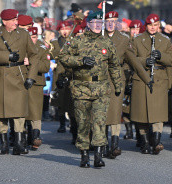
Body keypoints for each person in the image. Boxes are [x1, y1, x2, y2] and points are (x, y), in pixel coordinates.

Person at [60, 10, 121, 168]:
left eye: (100, 23)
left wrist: (118, 85)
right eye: (94, 23)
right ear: (88, 24)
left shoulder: (106, 42)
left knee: (99, 122)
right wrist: (80, 61)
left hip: (101, 89)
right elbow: (63, 57)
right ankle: (84, 155)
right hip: (81, 89)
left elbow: (114, 65)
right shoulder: (77, 40)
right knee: (83, 123)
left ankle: (98, 156)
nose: (97, 26)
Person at [0, 9, 39, 155]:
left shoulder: (24, 34)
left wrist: (31, 76)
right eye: (13, 20)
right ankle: (4, 143)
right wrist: (7, 56)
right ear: (4, 21)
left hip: (19, 74)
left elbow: (34, 55)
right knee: (2, 112)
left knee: (19, 111)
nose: (16, 22)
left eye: (16, 19)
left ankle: (19, 143)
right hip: (2, 75)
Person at [104, 11, 150, 159]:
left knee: (116, 113)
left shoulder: (123, 40)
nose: (111, 23)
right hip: (100, 82)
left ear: (117, 23)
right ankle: (102, 145)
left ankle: (115, 144)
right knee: (102, 113)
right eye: (108, 20)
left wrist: (147, 79)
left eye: (114, 21)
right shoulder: (97, 38)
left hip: (117, 82)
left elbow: (134, 61)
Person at [131, 13, 172, 155]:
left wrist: (161, 56)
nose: (152, 27)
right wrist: (144, 61)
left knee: (158, 113)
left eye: (155, 25)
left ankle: (156, 141)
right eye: (150, 25)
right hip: (142, 79)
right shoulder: (137, 39)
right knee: (141, 113)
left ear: (158, 26)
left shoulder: (165, 40)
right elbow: (131, 59)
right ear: (146, 25)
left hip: (159, 79)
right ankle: (144, 142)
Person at [25, 27, 50, 150]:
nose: (32, 40)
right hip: (22, 82)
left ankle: (36, 135)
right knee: (23, 109)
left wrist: (30, 62)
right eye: (30, 37)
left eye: (34, 37)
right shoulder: (21, 47)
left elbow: (45, 66)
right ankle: (21, 135)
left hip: (37, 82)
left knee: (35, 111)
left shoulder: (42, 48)